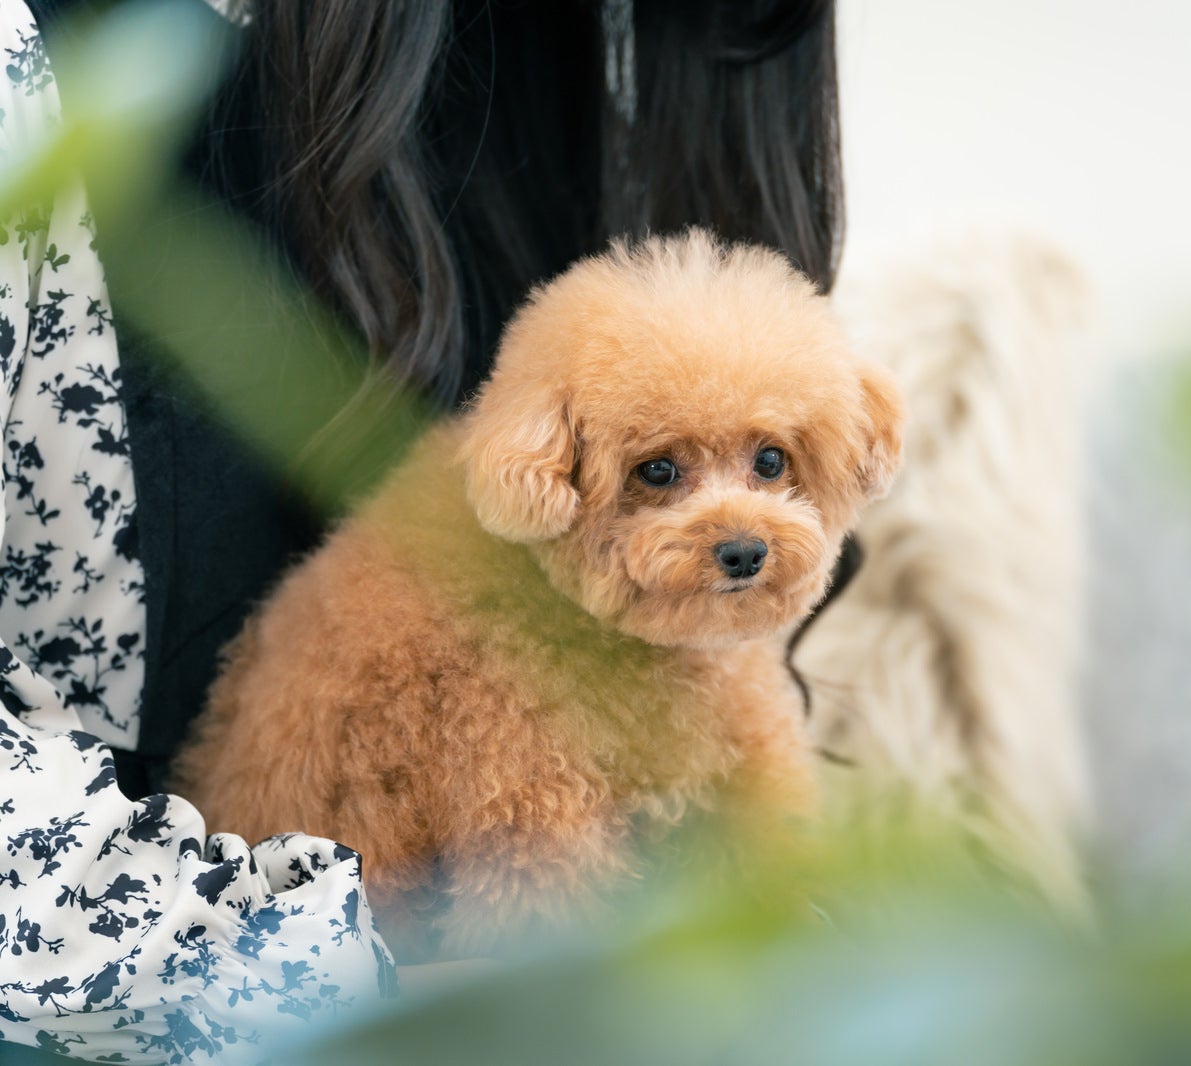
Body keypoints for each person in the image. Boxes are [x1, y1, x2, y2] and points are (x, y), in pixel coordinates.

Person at [0, 0, 844, 1059]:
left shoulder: (577, 61)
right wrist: (363, 975)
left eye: (768, 463)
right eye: (665, 471)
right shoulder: (35, 77)